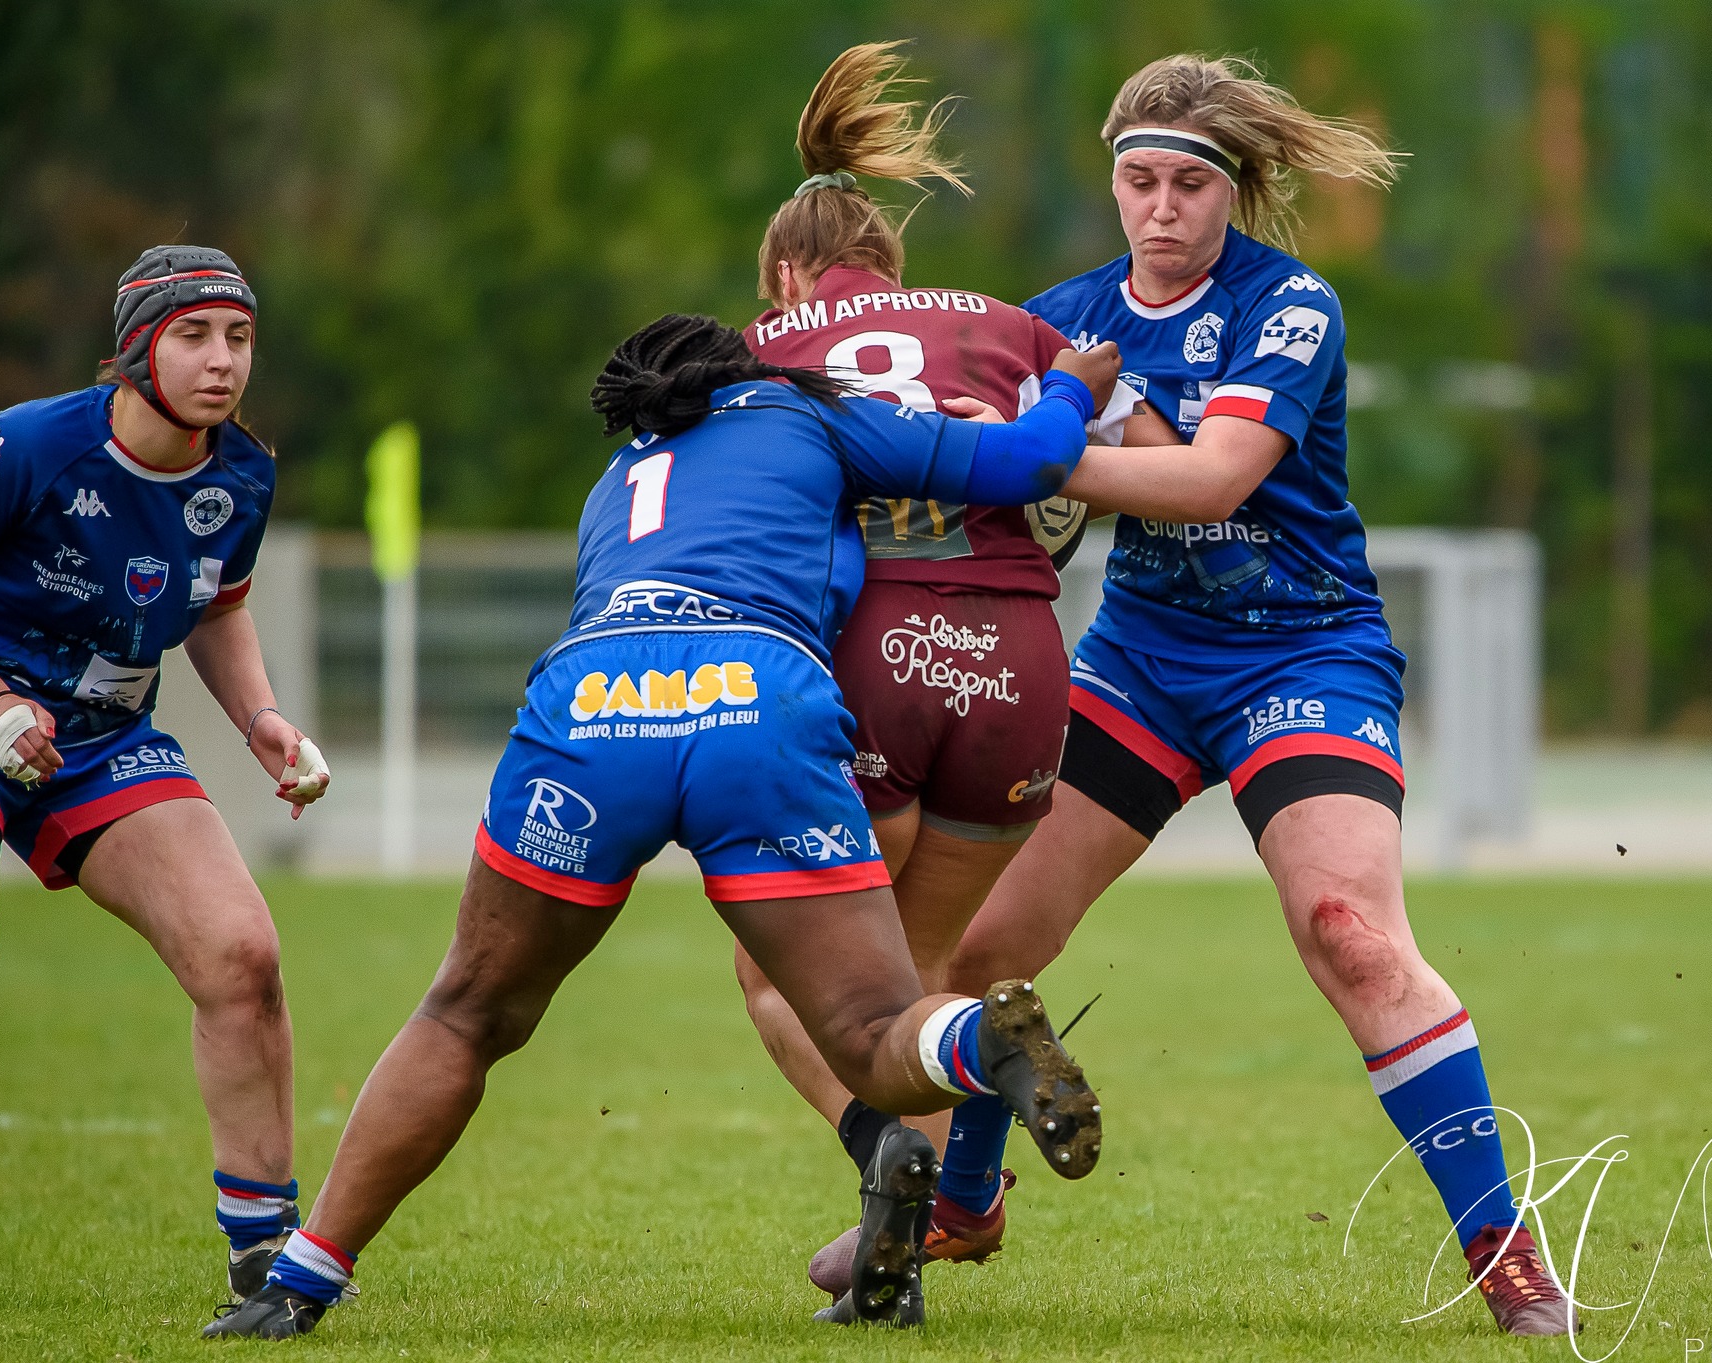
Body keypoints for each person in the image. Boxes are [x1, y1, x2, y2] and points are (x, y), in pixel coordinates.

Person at [205, 313, 1120, 1339]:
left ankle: (299, 1279)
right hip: (755, 701)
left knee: (467, 1010)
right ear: (745, 369)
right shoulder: (798, 410)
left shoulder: (616, 482)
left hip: (594, 703)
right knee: (866, 1028)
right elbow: (1033, 460)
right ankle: (975, 1040)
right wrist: (1073, 385)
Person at [943, 56, 1579, 1337]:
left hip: (1304, 657)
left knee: (1348, 931)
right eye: (1138, 181)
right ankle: (966, 1201)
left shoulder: (1285, 304)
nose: (1162, 207)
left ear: (1233, 191)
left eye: (1189, 183)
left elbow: (1214, 481)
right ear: (1110, 183)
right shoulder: (1056, 318)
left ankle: (1506, 1256)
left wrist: (1031, 449)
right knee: (983, 950)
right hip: (1138, 663)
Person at [738, 41, 1168, 1296]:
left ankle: (905, 1138)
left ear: (784, 273)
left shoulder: (767, 344)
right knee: (919, 972)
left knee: (788, 976)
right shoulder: (1003, 326)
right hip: (1027, 672)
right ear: (895, 268)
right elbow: (1120, 445)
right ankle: (905, 1253)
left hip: (876, 660)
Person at [0, 245, 331, 1304]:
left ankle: (263, 1255)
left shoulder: (241, 472)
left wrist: (260, 716)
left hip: (100, 739)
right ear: (133, 349)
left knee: (242, 953)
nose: (221, 362)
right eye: (194, 335)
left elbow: (222, 605)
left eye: (239, 337)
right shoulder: (22, 446)